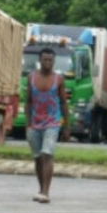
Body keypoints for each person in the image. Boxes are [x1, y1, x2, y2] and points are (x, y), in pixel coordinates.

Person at [25, 47, 70, 204]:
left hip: (52, 122)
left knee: (47, 154)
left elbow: (64, 103)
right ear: (39, 60)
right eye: (45, 59)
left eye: (50, 60)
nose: (47, 63)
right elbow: (28, 101)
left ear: (54, 61)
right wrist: (28, 123)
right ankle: (41, 188)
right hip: (35, 123)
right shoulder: (31, 78)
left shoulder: (58, 80)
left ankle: (46, 192)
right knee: (38, 158)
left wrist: (66, 126)